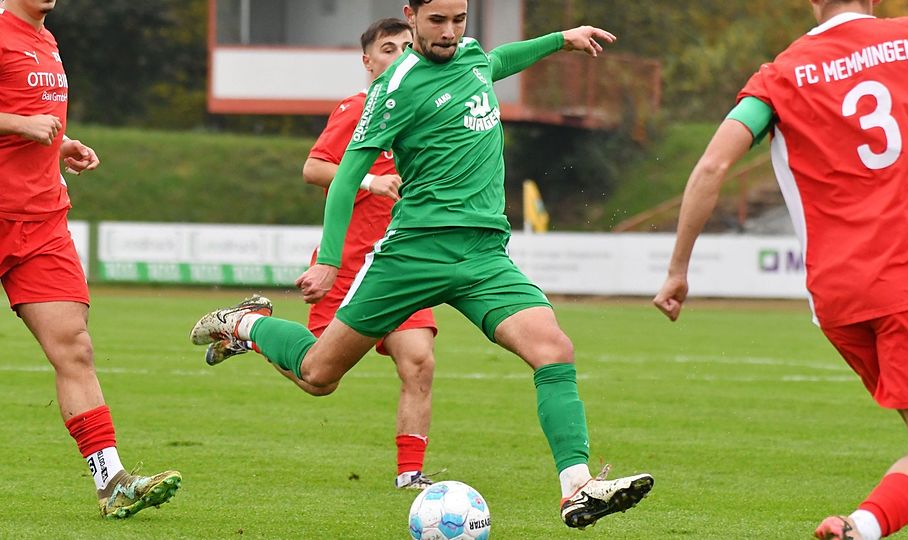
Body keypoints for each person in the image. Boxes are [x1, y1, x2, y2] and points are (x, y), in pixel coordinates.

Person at [191, 0, 653, 529]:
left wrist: (559, 40)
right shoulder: (396, 88)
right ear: (411, 15)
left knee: (554, 349)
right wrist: (330, 262)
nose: (450, 32)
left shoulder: (472, 58)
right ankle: (245, 323)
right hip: (413, 254)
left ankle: (577, 488)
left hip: (482, 254)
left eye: (459, 19)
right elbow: (344, 176)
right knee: (319, 375)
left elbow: (501, 60)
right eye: (438, 21)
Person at [653, 1, 908, 538]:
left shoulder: (781, 75)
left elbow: (712, 166)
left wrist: (678, 268)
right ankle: (861, 527)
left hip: (840, 300)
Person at [205, 18, 440, 491]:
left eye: (407, 47)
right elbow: (314, 168)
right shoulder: (358, 109)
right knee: (318, 378)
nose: (400, 55)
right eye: (388, 49)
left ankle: (409, 476)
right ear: (368, 62)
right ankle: (249, 326)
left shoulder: (431, 113)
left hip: (404, 264)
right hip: (350, 265)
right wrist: (372, 182)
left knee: (419, 361)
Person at [0, 0, 181, 520]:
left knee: (74, 347)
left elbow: (33, 124)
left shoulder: (47, 40)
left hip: (41, 220)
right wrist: (18, 125)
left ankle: (113, 482)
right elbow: (20, 120)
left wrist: (59, 146)